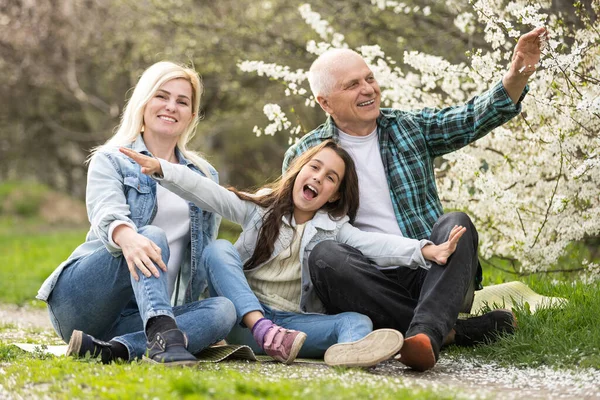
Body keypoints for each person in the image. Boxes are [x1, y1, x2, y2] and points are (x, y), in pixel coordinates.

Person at [283, 27, 548, 371]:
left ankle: (423, 333)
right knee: (323, 254)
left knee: (457, 224)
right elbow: (291, 227)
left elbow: (471, 118)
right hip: (365, 280)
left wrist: (516, 75)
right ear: (325, 102)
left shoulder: (408, 127)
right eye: (352, 85)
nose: (368, 90)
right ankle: (446, 333)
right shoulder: (305, 155)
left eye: (369, 79)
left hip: (431, 272)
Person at [121, 139, 467, 367]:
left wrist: (424, 250)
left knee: (357, 321)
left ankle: (351, 355)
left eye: (331, 178)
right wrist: (164, 170)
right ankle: (265, 331)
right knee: (219, 250)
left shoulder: (336, 228)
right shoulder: (260, 210)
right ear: (300, 169)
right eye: (315, 167)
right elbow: (210, 193)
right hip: (248, 324)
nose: (319, 178)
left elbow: (377, 246)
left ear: (333, 194)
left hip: (295, 327)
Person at [36, 61, 237, 366]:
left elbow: (204, 252)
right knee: (151, 235)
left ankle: (114, 350)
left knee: (223, 310)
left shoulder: (204, 176)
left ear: (192, 116)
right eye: (162, 96)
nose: (171, 106)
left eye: (182, 101)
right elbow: (106, 212)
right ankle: (163, 334)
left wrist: (204, 322)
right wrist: (128, 236)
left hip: (140, 316)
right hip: (83, 303)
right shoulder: (111, 159)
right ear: (143, 102)